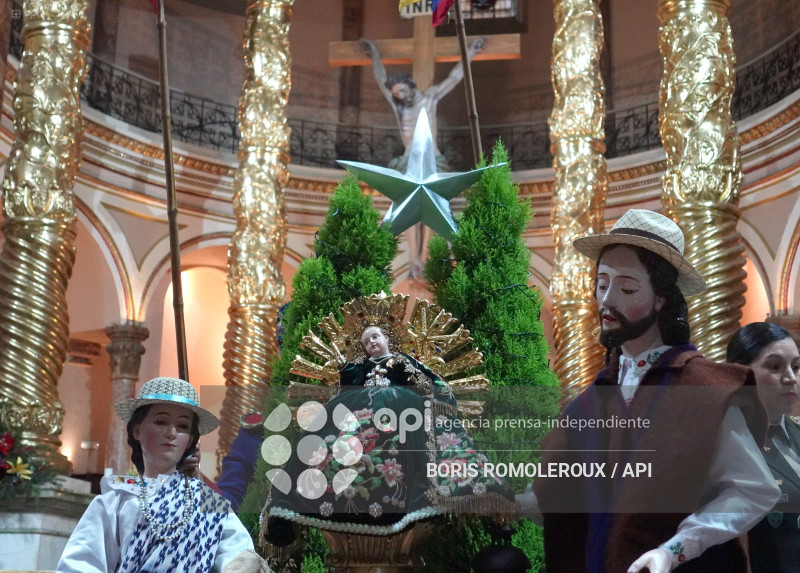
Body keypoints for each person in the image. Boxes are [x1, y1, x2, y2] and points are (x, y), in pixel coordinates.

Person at [517, 209, 780, 572]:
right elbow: (557, 500)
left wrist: (674, 549)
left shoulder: (705, 390)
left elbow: (752, 490)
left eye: (626, 288)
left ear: (661, 299)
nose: (607, 300)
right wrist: (499, 498)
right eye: (602, 283)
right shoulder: (589, 404)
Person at [263, 323, 515, 542]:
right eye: (366, 341)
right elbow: (347, 383)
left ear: (386, 340)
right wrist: (345, 369)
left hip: (401, 411)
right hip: (360, 414)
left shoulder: (402, 360)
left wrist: (411, 377)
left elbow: (430, 384)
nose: (371, 342)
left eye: (375, 337)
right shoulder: (360, 366)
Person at [57, 377, 267, 573]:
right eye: (160, 422)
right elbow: (81, 565)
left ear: (191, 439)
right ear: (137, 431)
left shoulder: (208, 501)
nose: (172, 432)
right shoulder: (116, 502)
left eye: (183, 426)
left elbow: (239, 555)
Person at [727, 321, 800, 573]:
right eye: (775, 366)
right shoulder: (725, 444)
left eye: (797, 367)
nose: (791, 377)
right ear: (740, 372)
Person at [361, 36, 486, 172]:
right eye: (397, 94)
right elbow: (380, 78)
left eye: (402, 90)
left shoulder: (430, 98)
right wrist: (374, 54)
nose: (401, 96)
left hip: (433, 157)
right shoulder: (399, 106)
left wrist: (471, 52)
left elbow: (454, 78)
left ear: (411, 85)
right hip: (407, 160)